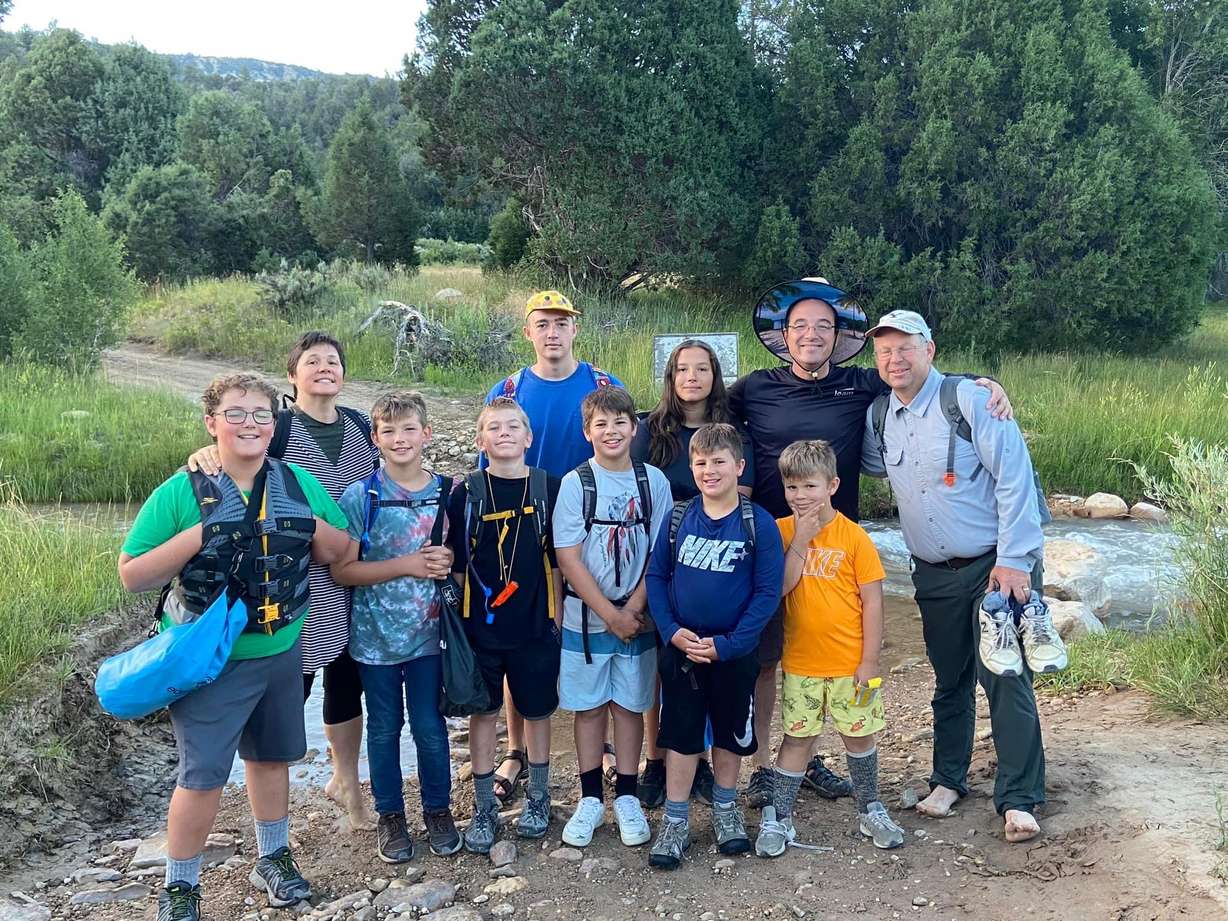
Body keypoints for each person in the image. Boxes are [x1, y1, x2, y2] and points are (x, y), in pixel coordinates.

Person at [730, 278, 1013, 808]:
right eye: (800, 326)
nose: (811, 334)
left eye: (823, 326)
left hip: (838, 543)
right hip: (771, 539)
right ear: (783, 336)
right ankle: (763, 767)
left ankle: (810, 761)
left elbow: (919, 377)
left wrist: (984, 383)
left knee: (822, 653)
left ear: (837, 336)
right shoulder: (753, 388)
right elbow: (700, 413)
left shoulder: (861, 385)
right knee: (767, 659)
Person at [118, 373, 353, 921]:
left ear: (275, 425)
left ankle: (273, 857)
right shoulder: (181, 490)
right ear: (211, 423)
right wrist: (204, 531)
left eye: (261, 415)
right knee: (201, 778)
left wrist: (312, 523)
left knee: (272, 760)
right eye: (236, 413)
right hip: (209, 661)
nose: (250, 424)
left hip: (281, 650)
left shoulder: (296, 482)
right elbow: (132, 575)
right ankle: (180, 888)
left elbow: (341, 551)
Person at [860, 310, 1061, 843]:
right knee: (949, 681)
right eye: (884, 351)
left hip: (997, 564)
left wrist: (1016, 560)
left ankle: (1019, 798)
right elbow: (869, 466)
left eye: (905, 348)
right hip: (932, 573)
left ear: (930, 348)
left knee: (1006, 676)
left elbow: (1015, 477)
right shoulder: (879, 415)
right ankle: (948, 780)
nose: (894, 359)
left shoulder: (970, 399)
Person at [188, 331, 380, 831]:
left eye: (333, 361)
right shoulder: (280, 427)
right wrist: (203, 455)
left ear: (344, 373)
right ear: (291, 376)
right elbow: (235, 457)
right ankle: (266, 797)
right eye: (311, 361)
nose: (324, 368)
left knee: (348, 676)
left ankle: (346, 784)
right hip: (291, 575)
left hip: (353, 567)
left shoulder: (361, 426)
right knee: (295, 676)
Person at [482, 291, 624, 805]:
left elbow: (623, 444)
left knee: (595, 625)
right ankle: (517, 750)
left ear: (574, 330)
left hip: (595, 520)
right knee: (523, 630)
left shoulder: (603, 384)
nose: (552, 333)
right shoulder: (510, 388)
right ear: (528, 331)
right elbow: (490, 462)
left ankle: (604, 746)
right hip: (523, 523)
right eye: (542, 324)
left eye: (561, 323)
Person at [755, 439, 905, 858]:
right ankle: (780, 814)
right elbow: (780, 588)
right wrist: (801, 537)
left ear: (833, 485)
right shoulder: (781, 531)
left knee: (859, 737)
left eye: (810, 487)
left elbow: (873, 600)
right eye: (792, 488)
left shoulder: (854, 537)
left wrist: (870, 660)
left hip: (850, 664)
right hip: (801, 664)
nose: (800, 497)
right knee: (798, 738)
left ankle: (869, 807)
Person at [644, 424, 783, 869]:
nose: (709, 470)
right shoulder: (679, 517)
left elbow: (766, 593)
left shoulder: (756, 523)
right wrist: (669, 631)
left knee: (730, 733)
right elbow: (657, 578)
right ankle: (676, 818)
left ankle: (725, 808)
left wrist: (731, 645)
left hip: (733, 653)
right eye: (701, 463)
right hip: (682, 649)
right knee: (683, 735)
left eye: (719, 461)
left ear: (739, 467)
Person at [330, 391, 461, 861]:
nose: (400, 439)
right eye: (389, 431)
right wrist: (406, 564)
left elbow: (462, 560)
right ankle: (390, 815)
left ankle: (438, 810)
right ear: (375, 438)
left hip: (430, 638)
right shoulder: (359, 496)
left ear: (427, 434)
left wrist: (448, 560)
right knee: (384, 728)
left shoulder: (449, 492)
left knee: (430, 726)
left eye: (409, 429)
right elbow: (342, 571)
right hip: (374, 641)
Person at [630, 339, 755, 807]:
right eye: (683, 369)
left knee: (712, 671)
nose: (692, 378)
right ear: (671, 377)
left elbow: (740, 493)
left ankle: (702, 764)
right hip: (661, 551)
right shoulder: (650, 429)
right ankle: (657, 758)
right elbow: (637, 487)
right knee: (663, 666)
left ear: (715, 376)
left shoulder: (733, 430)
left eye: (702, 369)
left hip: (718, 556)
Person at [553, 387, 673, 848]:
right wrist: (610, 613)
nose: (611, 432)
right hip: (585, 618)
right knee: (588, 707)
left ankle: (626, 793)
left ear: (634, 427)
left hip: (636, 615)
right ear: (587, 432)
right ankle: (588, 797)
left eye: (620, 423)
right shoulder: (576, 483)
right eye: (600, 424)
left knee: (629, 704)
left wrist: (634, 610)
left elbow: (659, 554)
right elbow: (568, 557)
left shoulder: (653, 483)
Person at [444, 398, 564, 852]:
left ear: (529, 437)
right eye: (494, 428)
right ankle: (482, 806)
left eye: (514, 426)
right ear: (481, 441)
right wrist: (456, 618)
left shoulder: (547, 487)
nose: (506, 433)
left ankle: (538, 796)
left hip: (535, 625)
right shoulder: (467, 492)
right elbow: (456, 563)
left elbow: (558, 558)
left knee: (537, 712)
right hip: (481, 629)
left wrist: (557, 615)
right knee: (484, 713)